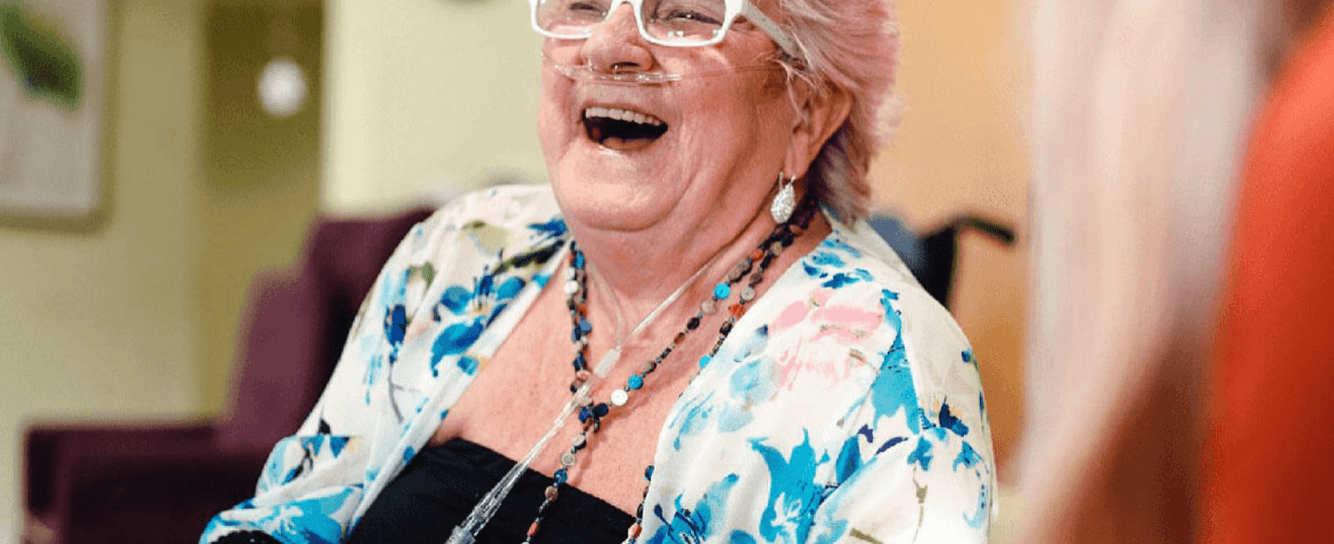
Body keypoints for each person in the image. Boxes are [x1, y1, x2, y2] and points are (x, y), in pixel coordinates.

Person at [202, 0, 995, 542]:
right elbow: (287, 517)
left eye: (685, 11)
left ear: (808, 110)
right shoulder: (463, 253)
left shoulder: (887, 374)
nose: (610, 45)